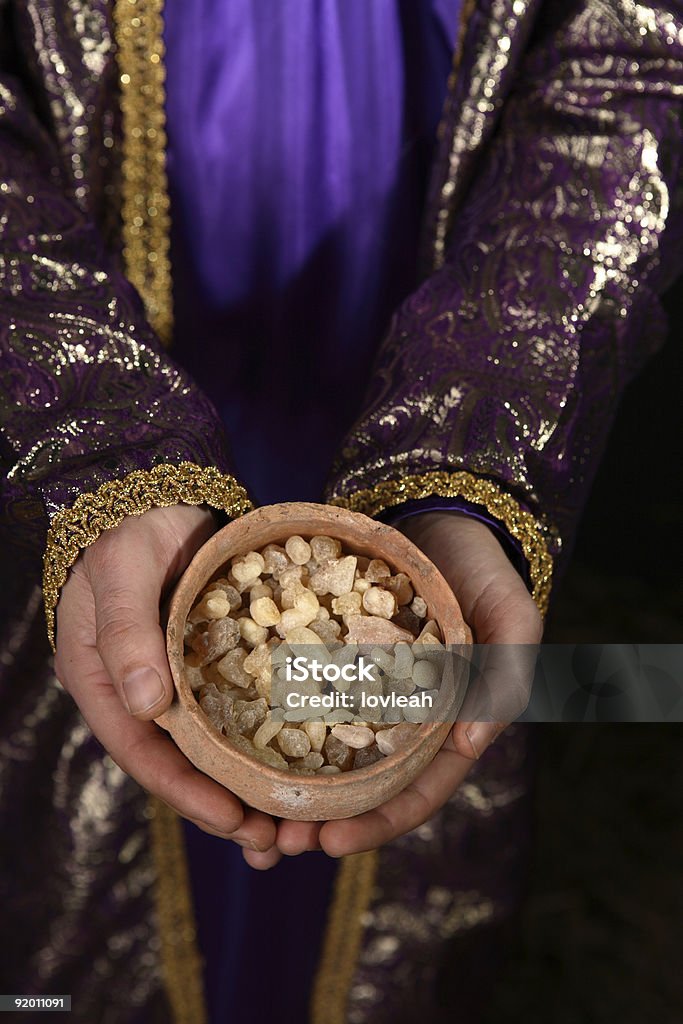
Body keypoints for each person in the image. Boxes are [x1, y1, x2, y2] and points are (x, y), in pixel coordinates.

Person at [1, 1, 680, 1022]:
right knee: (94, 816)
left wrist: (470, 454)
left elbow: (629, 62)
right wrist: (102, 441)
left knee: (432, 793)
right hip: (104, 239)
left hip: (426, 212)